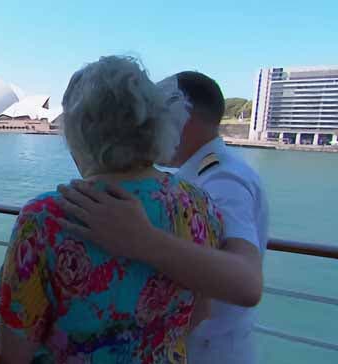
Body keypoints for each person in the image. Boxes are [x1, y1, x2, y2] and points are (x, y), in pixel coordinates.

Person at [0, 56, 224, 364]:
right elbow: (202, 310)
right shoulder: (198, 206)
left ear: (79, 132)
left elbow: (13, 352)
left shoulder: (46, 218)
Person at [57, 71, 267, 364]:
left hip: (209, 351)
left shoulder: (223, 180)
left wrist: (142, 240)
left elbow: (246, 283)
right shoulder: (189, 179)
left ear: (185, 116)